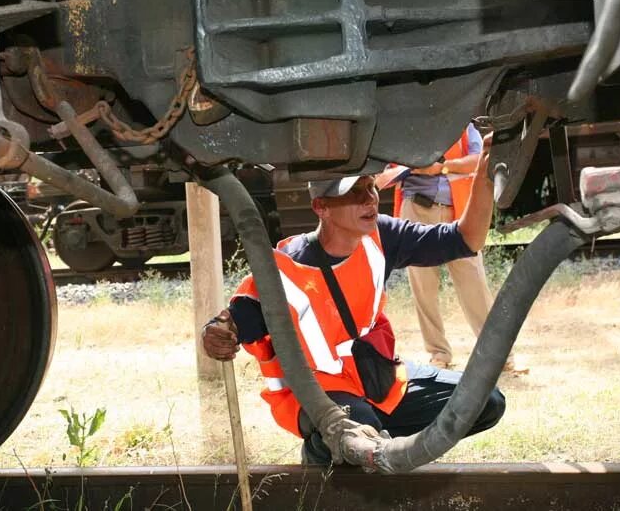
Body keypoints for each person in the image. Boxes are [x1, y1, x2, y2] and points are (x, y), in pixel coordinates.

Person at [202, 153, 505, 465]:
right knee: (360, 428)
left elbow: (467, 239)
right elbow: (232, 324)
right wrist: (216, 334)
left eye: (371, 187)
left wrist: (484, 169)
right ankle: (323, 451)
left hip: (376, 381)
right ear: (321, 207)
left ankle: (374, 446)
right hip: (317, 397)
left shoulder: (381, 236)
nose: (370, 200)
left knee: (486, 401)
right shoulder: (285, 271)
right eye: (354, 193)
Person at [376, 123, 524, 373]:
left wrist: (441, 167)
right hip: (415, 211)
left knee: (475, 285)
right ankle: (438, 354)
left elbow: (479, 160)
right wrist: (411, 167)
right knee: (424, 289)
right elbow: (381, 177)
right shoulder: (403, 129)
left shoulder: (463, 126)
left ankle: (500, 356)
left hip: (459, 213)